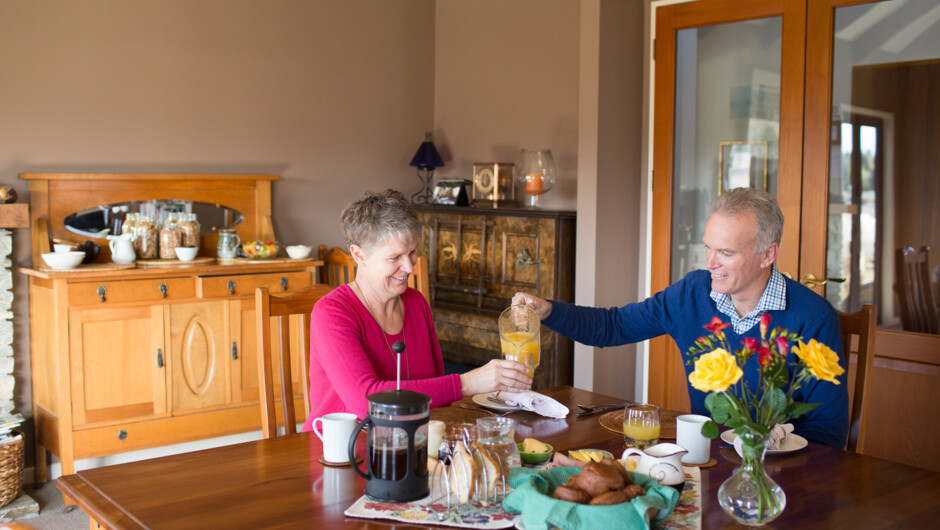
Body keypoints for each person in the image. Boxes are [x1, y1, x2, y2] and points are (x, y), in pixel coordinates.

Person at [513, 188, 849, 448]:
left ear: (768, 254)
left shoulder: (813, 317)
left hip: (778, 475)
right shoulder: (693, 293)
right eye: (708, 247)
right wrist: (550, 312)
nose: (711, 262)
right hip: (705, 459)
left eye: (726, 253)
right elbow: (611, 327)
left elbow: (828, 431)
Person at [303, 189, 531, 430]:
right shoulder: (332, 312)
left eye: (412, 252)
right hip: (340, 453)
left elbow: (437, 390)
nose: (409, 266)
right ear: (359, 255)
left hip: (410, 444)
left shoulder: (416, 303)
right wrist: (468, 382)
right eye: (395, 258)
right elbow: (365, 402)